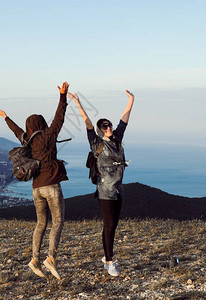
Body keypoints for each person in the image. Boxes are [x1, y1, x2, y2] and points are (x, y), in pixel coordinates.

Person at [0, 81, 70, 280]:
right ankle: (51, 258)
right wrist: (63, 96)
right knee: (58, 221)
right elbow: (59, 119)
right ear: (42, 124)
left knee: (41, 224)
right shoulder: (47, 135)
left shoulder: (26, 140)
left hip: (37, 188)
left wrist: (5, 117)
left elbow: (16, 130)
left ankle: (35, 259)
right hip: (51, 185)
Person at [67, 90, 134, 276]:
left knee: (112, 225)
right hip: (105, 190)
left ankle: (107, 256)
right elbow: (87, 123)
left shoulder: (117, 138)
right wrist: (78, 103)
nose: (108, 128)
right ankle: (109, 262)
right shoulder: (96, 143)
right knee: (109, 224)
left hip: (119, 190)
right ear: (99, 130)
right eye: (104, 127)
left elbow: (124, 120)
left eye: (109, 125)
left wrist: (131, 100)